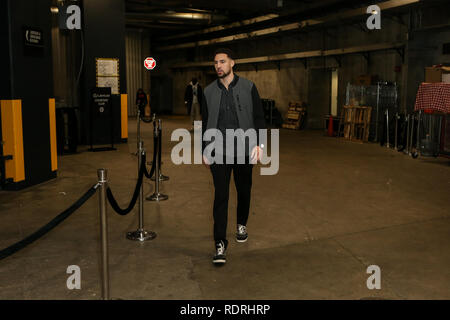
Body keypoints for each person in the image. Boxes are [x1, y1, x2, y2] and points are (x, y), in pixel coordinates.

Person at [201, 48, 266, 265]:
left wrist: (261, 144)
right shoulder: (208, 91)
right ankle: (220, 243)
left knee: (244, 190)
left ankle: (241, 223)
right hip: (218, 151)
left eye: (222, 61)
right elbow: (204, 123)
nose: (218, 66)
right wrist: (205, 149)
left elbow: (259, 117)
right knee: (221, 195)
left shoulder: (248, 87)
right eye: (215, 63)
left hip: (244, 150)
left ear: (232, 63)